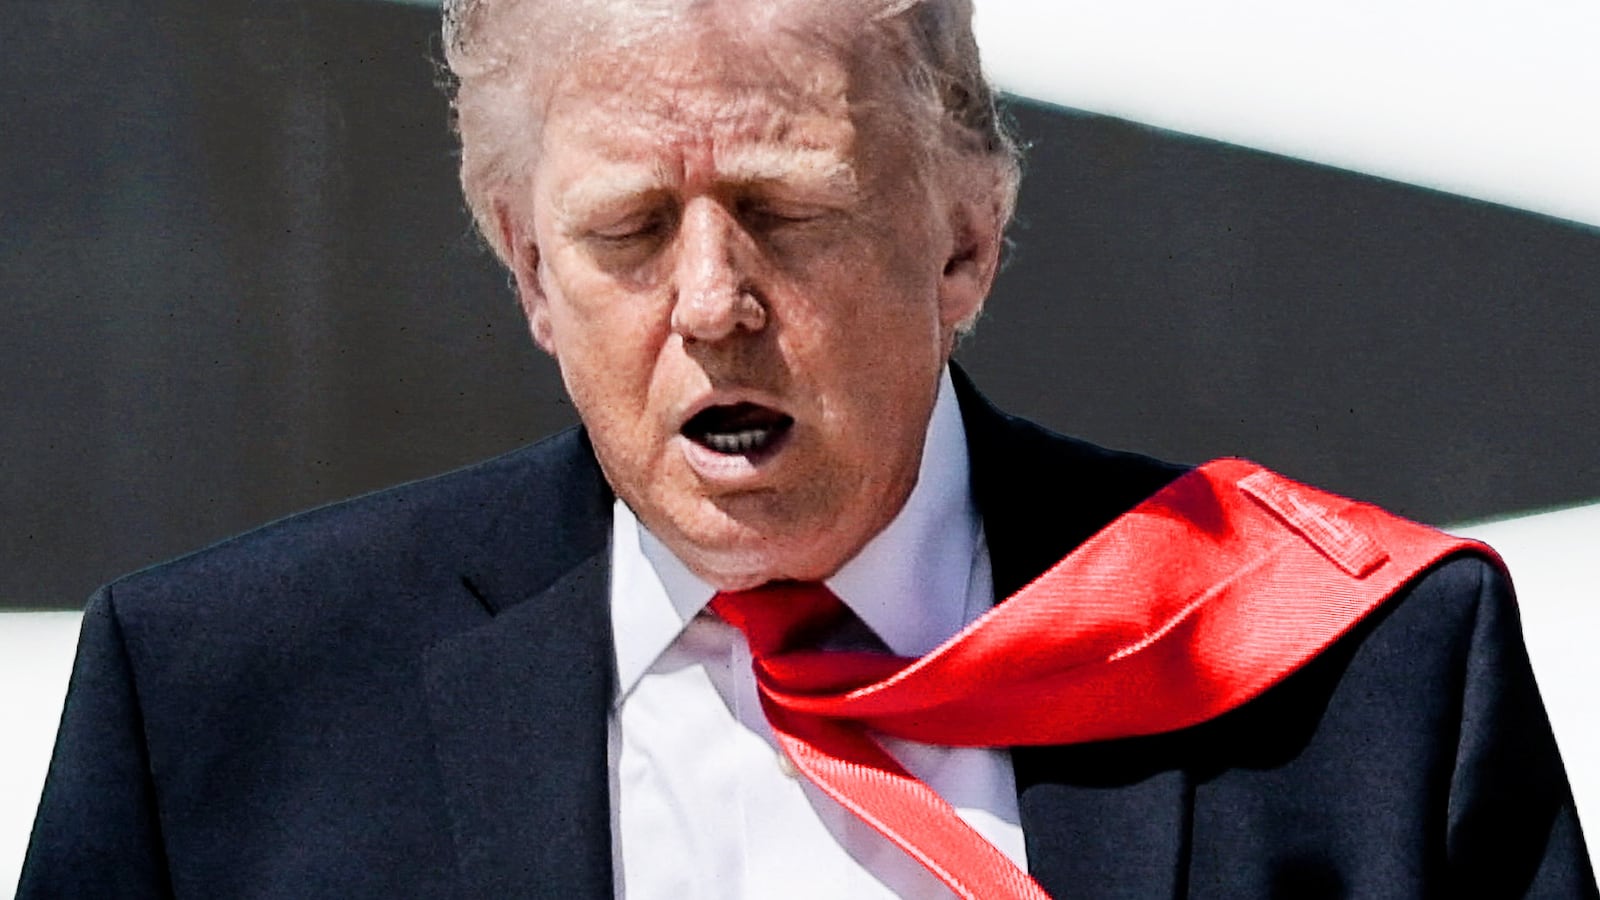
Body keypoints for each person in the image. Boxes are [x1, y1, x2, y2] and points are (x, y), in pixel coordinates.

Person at [19, 0, 1596, 897]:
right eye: (630, 230)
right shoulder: (219, 711)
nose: (711, 302)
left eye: (787, 213)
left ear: (967, 238)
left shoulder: (1359, 683)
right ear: (526, 273)